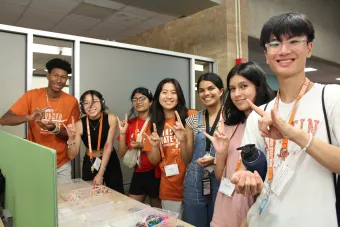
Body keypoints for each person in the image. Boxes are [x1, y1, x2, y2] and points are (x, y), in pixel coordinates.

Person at [231, 13, 340, 227]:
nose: (283, 50)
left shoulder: (332, 97)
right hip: (264, 220)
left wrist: (295, 134)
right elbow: (244, 168)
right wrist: (243, 178)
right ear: (266, 54)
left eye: (293, 41)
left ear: (309, 47)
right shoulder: (259, 113)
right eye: (274, 43)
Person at [207, 63, 274, 227]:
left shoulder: (272, 126)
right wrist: (221, 153)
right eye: (232, 88)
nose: (237, 94)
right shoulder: (229, 126)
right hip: (225, 205)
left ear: (258, 86)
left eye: (243, 86)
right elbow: (219, 176)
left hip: (258, 209)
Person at [0, 58, 80, 183]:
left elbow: (71, 134)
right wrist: (28, 117)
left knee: (63, 201)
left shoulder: (72, 102)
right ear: (48, 76)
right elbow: (4, 120)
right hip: (35, 161)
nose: (59, 80)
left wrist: (54, 128)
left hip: (61, 164)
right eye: (55, 75)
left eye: (63, 77)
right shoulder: (31, 96)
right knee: (37, 200)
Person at [176, 73, 225, 227]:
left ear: (221, 91)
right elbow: (186, 159)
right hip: (195, 180)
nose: (206, 93)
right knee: (193, 222)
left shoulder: (231, 118)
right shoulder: (191, 120)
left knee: (219, 221)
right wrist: (183, 140)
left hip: (221, 178)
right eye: (202, 90)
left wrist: (216, 160)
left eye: (211, 88)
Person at [144, 78, 196, 218]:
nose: (168, 96)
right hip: (170, 187)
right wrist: (155, 146)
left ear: (179, 96)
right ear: (158, 96)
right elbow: (154, 161)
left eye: (173, 92)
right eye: (164, 92)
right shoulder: (154, 124)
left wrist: (184, 139)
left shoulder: (192, 116)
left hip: (194, 184)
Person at [64, 90, 124, 193]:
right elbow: (72, 155)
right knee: (91, 195)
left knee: (116, 194)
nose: (91, 106)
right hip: (91, 161)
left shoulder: (111, 118)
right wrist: (70, 139)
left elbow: (108, 145)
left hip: (109, 159)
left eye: (95, 101)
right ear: (82, 106)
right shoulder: (79, 124)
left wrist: (100, 173)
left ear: (102, 102)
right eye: (86, 103)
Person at [117, 87, 161, 208]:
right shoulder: (130, 124)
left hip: (156, 173)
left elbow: (162, 149)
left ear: (151, 101)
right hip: (138, 173)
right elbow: (122, 153)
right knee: (132, 209)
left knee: (158, 214)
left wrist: (142, 146)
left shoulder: (157, 122)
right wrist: (122, 132)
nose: (138, 102)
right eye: (135, 99)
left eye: (142, 98)